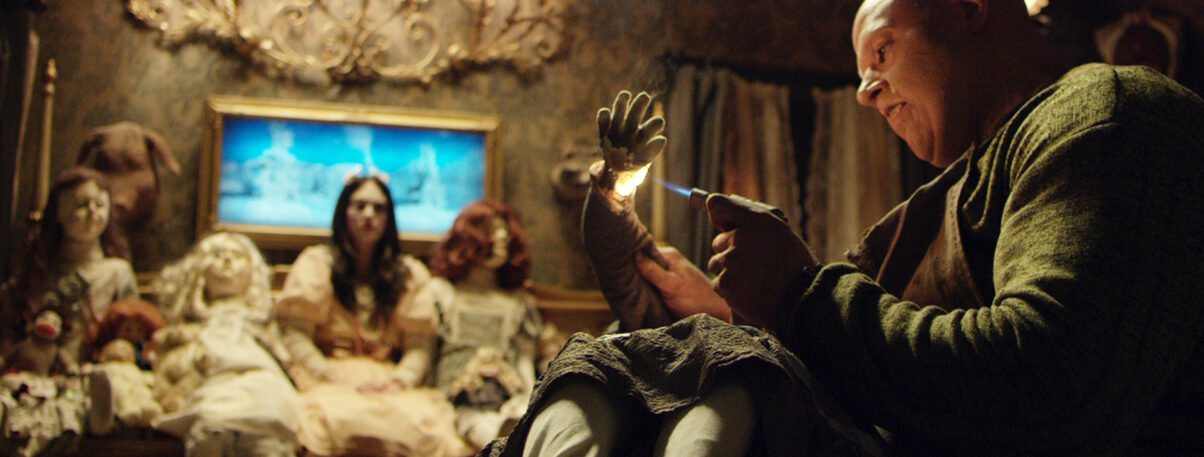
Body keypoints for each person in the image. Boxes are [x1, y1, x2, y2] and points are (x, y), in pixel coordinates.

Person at [482, 0, 1204, 455]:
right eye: (860, 71)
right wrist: (732, 314)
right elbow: (863, 347)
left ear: (970, 8)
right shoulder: (953, 190)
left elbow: (1052, 384)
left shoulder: (1108, 112)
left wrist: (797, 292)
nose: (862, 92)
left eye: (881, 52)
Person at [275, 173, 472, 457]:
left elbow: (419, 346)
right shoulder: (317, 264)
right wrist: (328, 375)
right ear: (344, 212)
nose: (369, 215)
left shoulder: (408, 273)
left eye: (379, 208)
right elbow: (295, 336)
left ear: (388, 217)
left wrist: (399, 380)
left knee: (427, 430)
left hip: (389, 383)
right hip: (328, 378)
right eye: (360, 206)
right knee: (327, 423)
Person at [0, 167, 139, 457]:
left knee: (71, 413)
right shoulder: (36, 271)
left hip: (86, 374)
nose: (92, 212)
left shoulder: (116, 273)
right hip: (32, 373)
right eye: (81, 204)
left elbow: (133, 331)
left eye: (99, 204)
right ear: (58, 213)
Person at [149, 231, 300, 457]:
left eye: (237, 256)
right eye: (218, 255)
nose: (227, 261)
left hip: (260, 377)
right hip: (212, 377)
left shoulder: (259, 322)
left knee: (268, 416)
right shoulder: (193, 323)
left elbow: (283, 355)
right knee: (211, 420)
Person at [425, 199, 542, 450]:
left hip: (508, 396)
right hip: (457, 397)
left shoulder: (518, 302)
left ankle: (512, 435)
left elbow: (524, 361)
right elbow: (425, 352)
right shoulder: (442, 293)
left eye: (505, 232)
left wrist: (530, 400)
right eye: (493, 230)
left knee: (524, 421)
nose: (502, 237)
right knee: (478, 425)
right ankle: (502, 442)